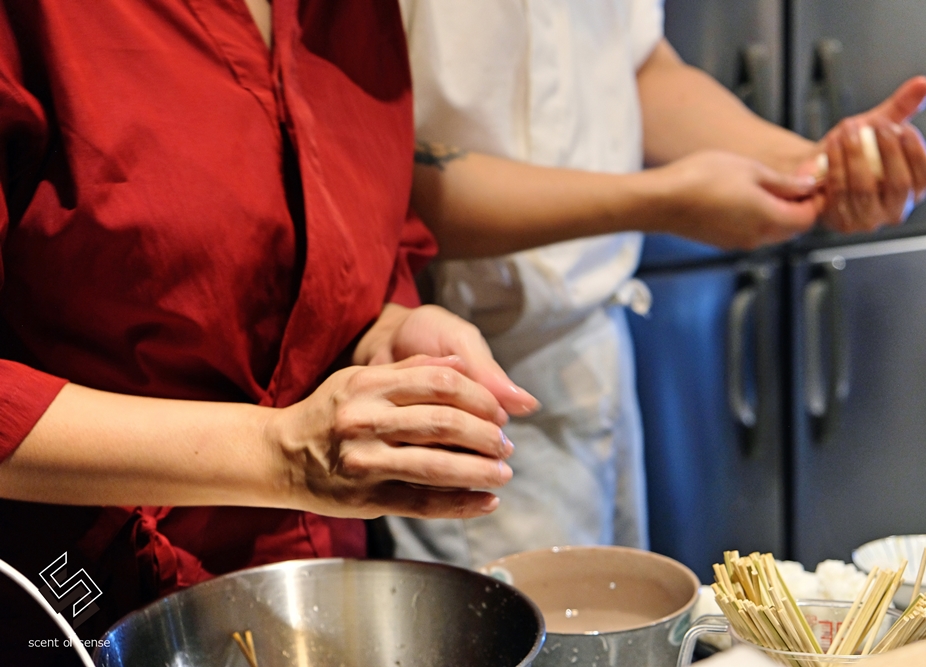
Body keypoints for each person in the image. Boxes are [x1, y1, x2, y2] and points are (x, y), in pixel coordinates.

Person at [0, 1, 537, 661]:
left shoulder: (352, 18)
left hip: (321, 590)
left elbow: (357, 244)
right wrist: (279, 453)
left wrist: (388, 330)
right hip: (76, 607)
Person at [387, 0, 926, 568]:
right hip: (455, 378)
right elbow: (387, 178)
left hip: (593, 356)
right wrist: (661, 201)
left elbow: (639, 67)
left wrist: (811, 165)